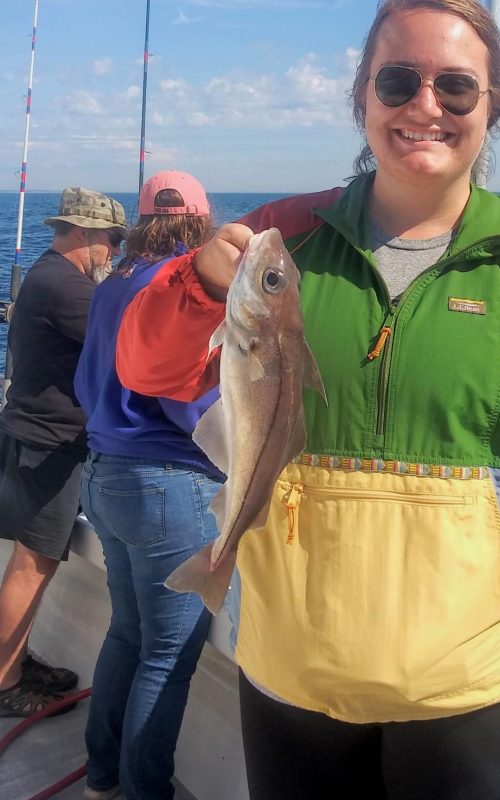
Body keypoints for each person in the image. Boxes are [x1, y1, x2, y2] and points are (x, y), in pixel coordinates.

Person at [115, 2, 500, 799]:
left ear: (493, 106)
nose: (424, 106)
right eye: (397, 81)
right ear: (361, 96)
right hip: (291, 674)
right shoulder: (278, 243)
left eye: (457, 88)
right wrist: (196, 285)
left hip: (475, 690)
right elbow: (145, 368)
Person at [75, 170, 221, 800]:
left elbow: (88, 383)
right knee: (166, 654)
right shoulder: (185, 283)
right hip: (168, 487)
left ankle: (102, 779)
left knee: (127, 634)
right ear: (203, 222)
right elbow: (188, 402)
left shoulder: (113, 283)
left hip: (103, 476)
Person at [0, 187, 126, 717]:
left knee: (36, 562)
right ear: (84, 234)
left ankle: (15, 662)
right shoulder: (68, 289)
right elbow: (126, 339)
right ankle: (5, 686)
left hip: (37, 438)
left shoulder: (50, 279)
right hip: (47, 447)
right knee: (33, 564)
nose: (116, 253)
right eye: (112, 242)